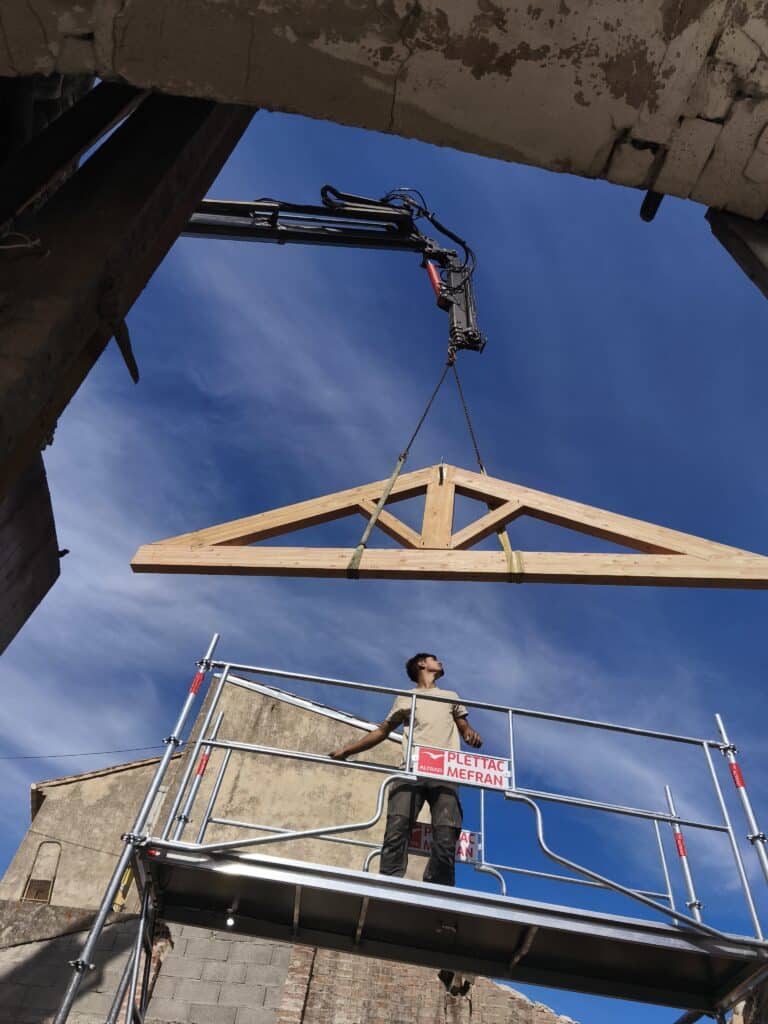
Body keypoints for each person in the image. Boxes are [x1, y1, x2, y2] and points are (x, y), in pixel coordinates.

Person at [329, 652, 482, 887]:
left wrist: (470, 734)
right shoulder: (406, 698)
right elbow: (382, 731)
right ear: (422, 664)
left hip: (445, 772)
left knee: (446, 833)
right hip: (412, 769)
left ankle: (438, 888)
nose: (440, 661)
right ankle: (389, 884)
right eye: (434, 659)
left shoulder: (451, 697)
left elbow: (464, 726)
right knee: (397, 827)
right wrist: (348, 751)